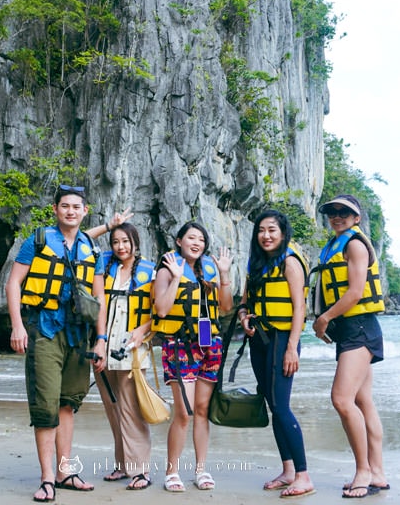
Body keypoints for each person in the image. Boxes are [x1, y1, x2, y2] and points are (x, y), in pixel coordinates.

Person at [5, 184, 105, 503]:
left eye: (76, 206)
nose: (70, 211)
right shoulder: (37, 241)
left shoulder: (92, 247)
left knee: (67, 403)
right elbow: (13, 284)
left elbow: (99, 298)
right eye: (65, 206)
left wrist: (101, 340)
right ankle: (47, 478)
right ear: (55, 209)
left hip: (78, 335)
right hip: (43, 328)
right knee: (46, 406)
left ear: (85, 211)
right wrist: (17, 326)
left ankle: (65, 472)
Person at [310, 194, 389, 498]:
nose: (338, 216)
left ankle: (364, 470)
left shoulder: (354, 245)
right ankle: (378, 472)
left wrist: (324, 318)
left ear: (357, 218)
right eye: (333, 213)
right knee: (362, 401)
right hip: (351, 330)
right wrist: (327, 320)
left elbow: (355, 292)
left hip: (359, 328)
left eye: (345, 212)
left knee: (342, 400)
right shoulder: (335, 245)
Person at [151, 221, 234, 493]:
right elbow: (161, 310)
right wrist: (175, 277)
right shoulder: (166, 268)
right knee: (184, 413)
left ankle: (200, 469)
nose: (196, 243)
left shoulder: (209, 269)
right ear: (179, 241)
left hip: (210, 345)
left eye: (201, 239)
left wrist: (223, 274)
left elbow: (225, 307)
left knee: (201, 410)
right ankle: (171, 470)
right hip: (179, 345)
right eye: (191, 238)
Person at [238, 209, 315, 499]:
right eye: (261, 230)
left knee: (281, 407)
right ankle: (287, 470)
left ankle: (304, 475)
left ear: (283, 233)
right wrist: (245, 316)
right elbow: (245, 302)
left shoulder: (290, 262)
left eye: (272, 230)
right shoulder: (257, 264)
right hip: (261, 340)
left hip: (283, 340)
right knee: (273, 406)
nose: (266, 236)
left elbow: (299, 308)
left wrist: (292, 347)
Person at [91, 223, 156, 491]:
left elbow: (159, 309)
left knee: (131, 407)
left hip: (132, 347)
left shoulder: (150, 271)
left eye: (126, 241)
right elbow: (98, 305)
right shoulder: (105, 268)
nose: (121, 247)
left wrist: (143, 330)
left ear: (135, 242)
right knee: (112, 406)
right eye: (116, 242)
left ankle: (141, 469)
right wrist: (100, 342)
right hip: (103, 344)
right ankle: (123, 464)